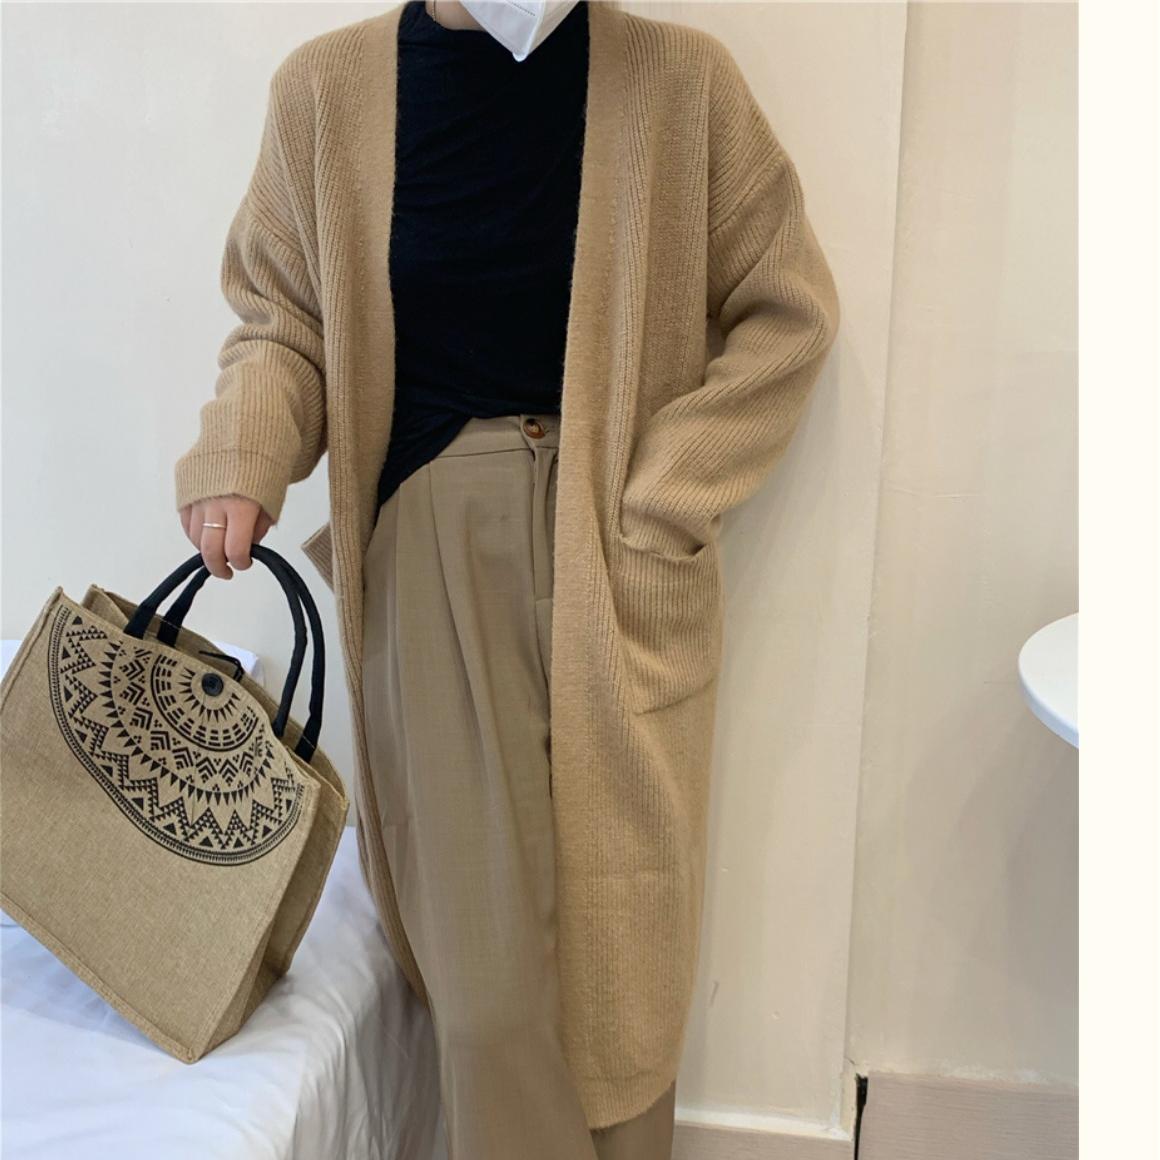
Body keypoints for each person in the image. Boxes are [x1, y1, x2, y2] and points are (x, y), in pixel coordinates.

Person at [175, 1, 841, 1156]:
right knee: (484, 988)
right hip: (432, 538)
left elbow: (786, 310)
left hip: (617, 544)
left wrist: (665, 496)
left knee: (620, 957)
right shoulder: (327, 92)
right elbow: (283, 321)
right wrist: (242, 455)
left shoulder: (680, 83)